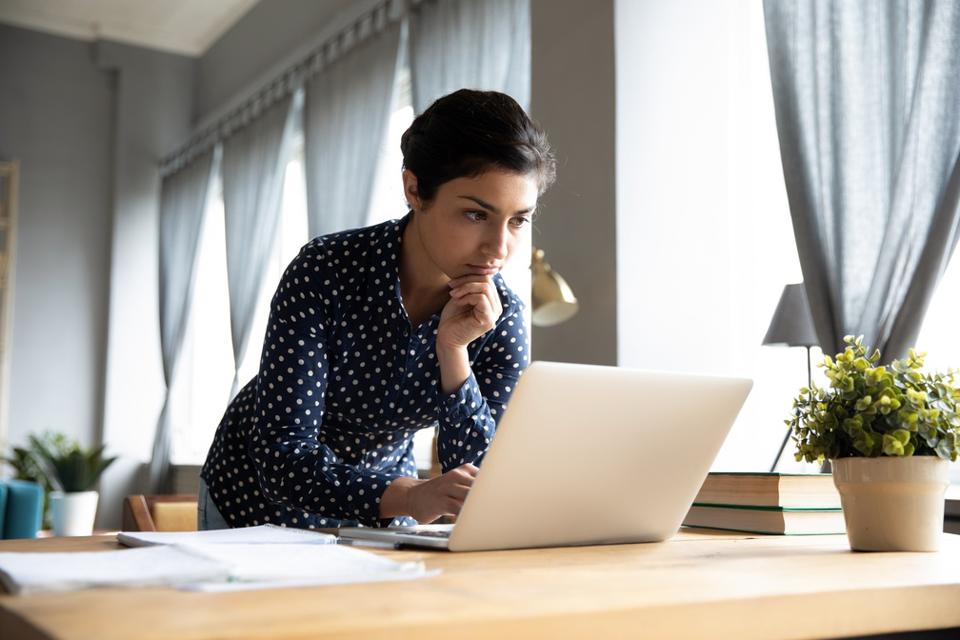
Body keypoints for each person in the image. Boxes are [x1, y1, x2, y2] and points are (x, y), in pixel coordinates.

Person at [198, 89, 556, 530]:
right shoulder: (325, 270)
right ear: (414, 190)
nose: (499, 248)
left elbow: (479, 479)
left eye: (518, 219)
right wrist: (408, 494)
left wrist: (454, 352)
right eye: (475, 215)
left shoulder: (501, 318)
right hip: (255, 498)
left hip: (390, 502)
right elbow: (283, 456)